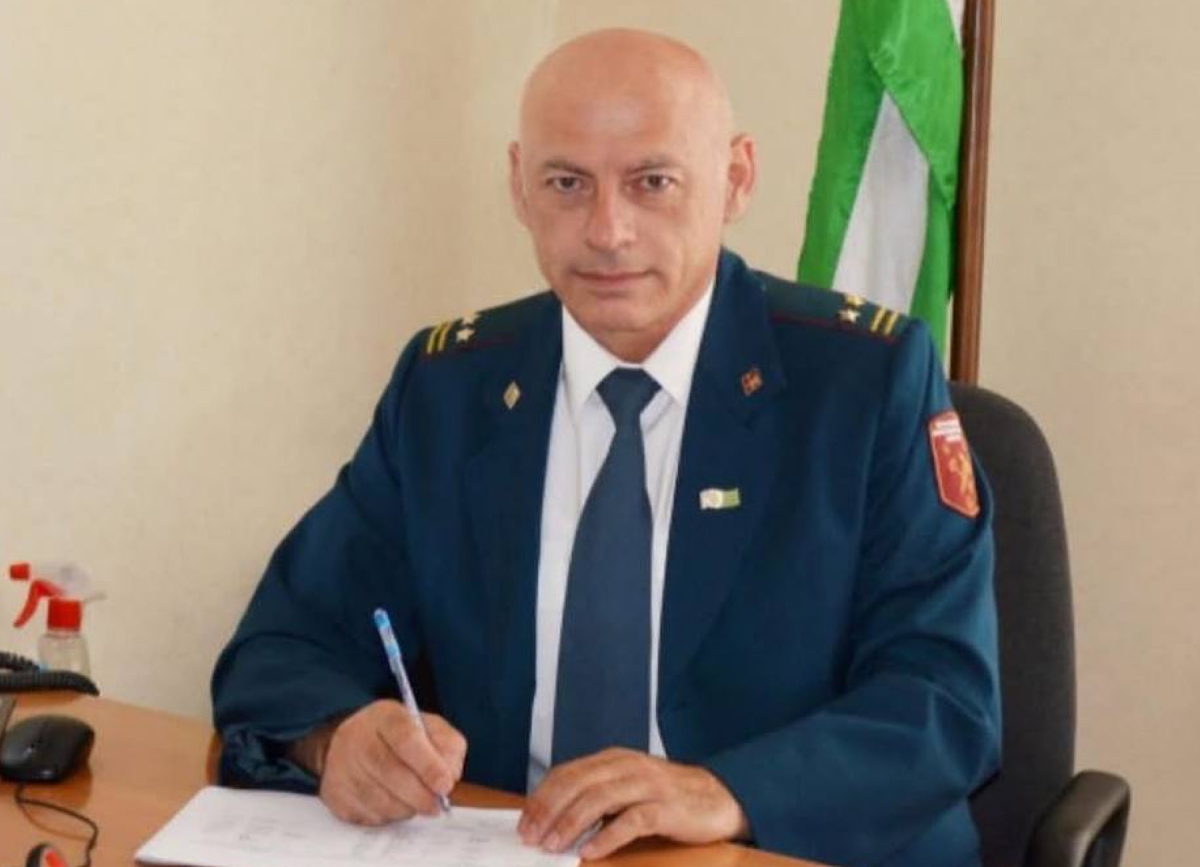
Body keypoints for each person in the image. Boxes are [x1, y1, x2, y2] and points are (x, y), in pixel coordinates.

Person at [211, 27, 1000, 867]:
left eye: (652, 182)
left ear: (736, 179)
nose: (607, 230)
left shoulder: (863, 385)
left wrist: (729, 790)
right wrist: (338, 734)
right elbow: (280, 646)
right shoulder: (450, 388)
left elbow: (944, 699)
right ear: (519, 186)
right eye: (567, 183)